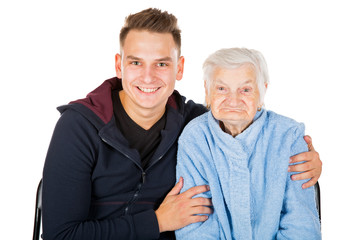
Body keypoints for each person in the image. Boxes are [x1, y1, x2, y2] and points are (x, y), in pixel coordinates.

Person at [42, 8, 322, 240]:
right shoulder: (79, 126)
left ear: (179, 68)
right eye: (136, 62)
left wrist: (304, 155)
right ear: (119, 65)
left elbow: (247, 122)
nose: (148, 77)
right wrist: (157, 222)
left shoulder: (196, 123)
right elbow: (61, 235)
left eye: (162, 64)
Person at [175, 48, 321, 239]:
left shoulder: (288, 136)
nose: (233, 100)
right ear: (207, 91)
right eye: (221, 89)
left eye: (245, 90)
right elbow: (195, 225)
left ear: (262, 92)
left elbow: (301, 223)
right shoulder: (195, 138)